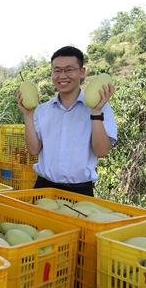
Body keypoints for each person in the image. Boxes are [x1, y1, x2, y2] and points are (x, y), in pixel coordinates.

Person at [17, 46, 117, 196]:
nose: (62, 76)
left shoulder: (101, 107)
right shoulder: (42, 110)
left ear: (82, 72)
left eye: (69, 70)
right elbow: (33, 150)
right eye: (57, 71)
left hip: (80, 192)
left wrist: (96, 112)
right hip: (44, 188)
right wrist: (28, 115)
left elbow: (101, 151)